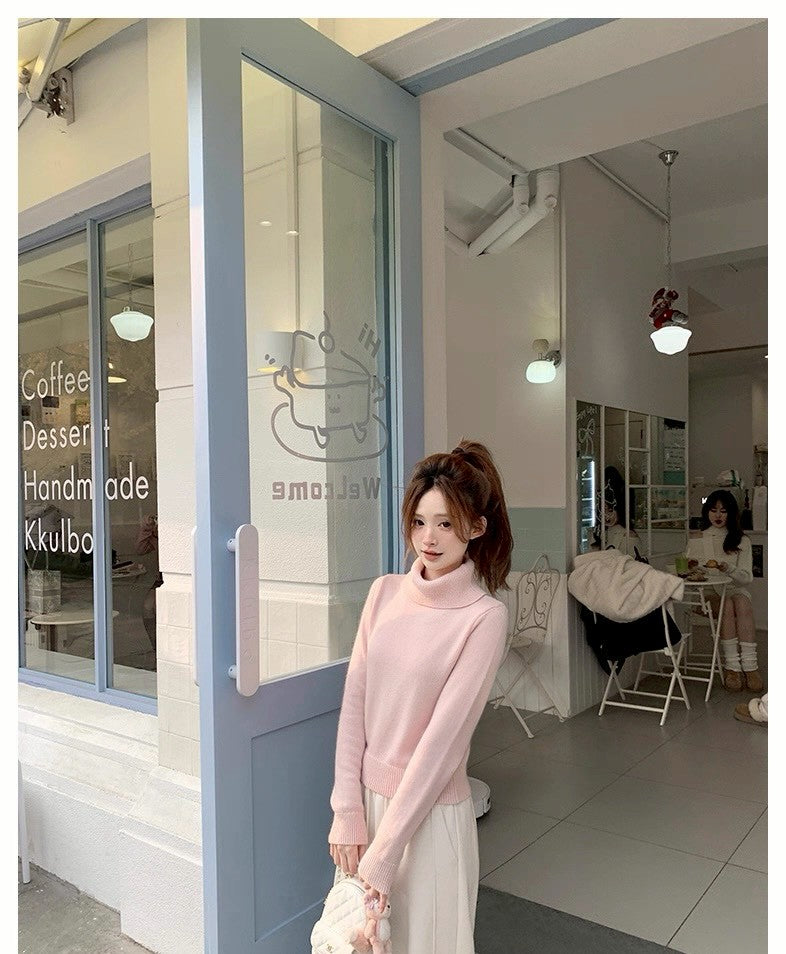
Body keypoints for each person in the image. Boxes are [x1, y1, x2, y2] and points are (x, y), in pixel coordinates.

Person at [327, 440, 513, 954]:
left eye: (446, 523)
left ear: (477, 527)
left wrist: (385, 854)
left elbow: (441, 747)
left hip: (429, 817)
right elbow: (354, 707)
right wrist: (346, 808)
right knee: (359, 943)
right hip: (367, 809)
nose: (428, 538)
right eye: (419, 522)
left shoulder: (484, 617)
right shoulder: (383, 593)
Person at [686, 489, 763, 692]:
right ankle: (732, 667)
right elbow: (688, 570)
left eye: (723, 510)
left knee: (741, 601)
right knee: (727, 605)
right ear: (706, 512)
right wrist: (694, 567)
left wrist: (728, 568)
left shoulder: (741, 540)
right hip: (706, 593)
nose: (718, 515)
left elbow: (746, 578)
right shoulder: (697, 538)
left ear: (731, 513)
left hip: (733, 589)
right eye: (713, 510)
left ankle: (750, 667)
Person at [592, 466, 645, 559]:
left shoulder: (628, 537)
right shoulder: (599, 533)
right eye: (602, 509)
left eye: (610, 510)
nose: (605, 514)